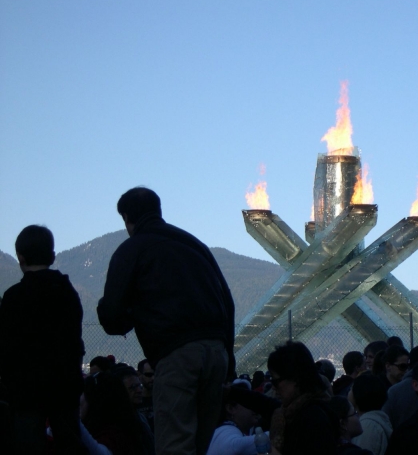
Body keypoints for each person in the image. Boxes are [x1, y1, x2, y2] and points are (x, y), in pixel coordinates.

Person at [97, 187, 235, 455]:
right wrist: (228, 358)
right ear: (158, 210)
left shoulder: (131, 249)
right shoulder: (195, 245)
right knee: (199, 444)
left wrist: (130, 316)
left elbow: (112, 314)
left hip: (176, 354)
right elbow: (227, 301)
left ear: (126, 218)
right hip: (217, 353)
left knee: (175, 446)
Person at [0, 225, 85, 454]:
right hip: (65, 384)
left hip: (25, 389)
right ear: (52, 255)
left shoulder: (13, 298)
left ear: (20, 257)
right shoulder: (67, 292)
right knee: (70, 442)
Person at [267, 341, 339, 455]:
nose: (273, 387)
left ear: (295, 379)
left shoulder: (312, 419)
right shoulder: (300, 411)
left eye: (275, 381)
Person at [207, 385, 280, 455]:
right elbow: (233, 448)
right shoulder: (226, 429)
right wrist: (275, 433)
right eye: (248, 404)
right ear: (231, 409)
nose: (254, 409)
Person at [348, 373, 392, 455]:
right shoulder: (377, 420)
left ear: (359, 393)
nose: (349, 392)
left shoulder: (367, 426)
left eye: (351, 389)